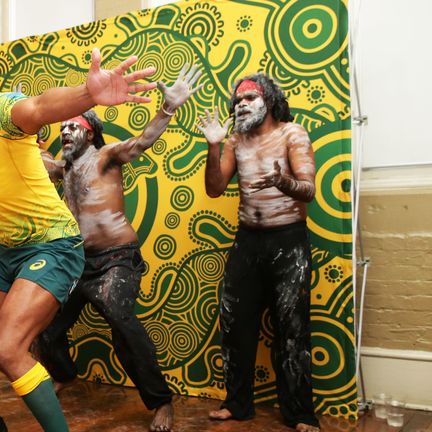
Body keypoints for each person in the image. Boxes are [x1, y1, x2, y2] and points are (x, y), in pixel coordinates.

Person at [0, 31, 156, 432]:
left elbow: (38, 106)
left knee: (7, 349)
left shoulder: (1, 109)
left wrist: (88, 95)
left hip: (53, 244)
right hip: (6, 249)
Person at [34, 64, 203, 432]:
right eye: (62, 127)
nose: (64, 131)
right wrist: (23, 129)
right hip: (78, 261)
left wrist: (168, 108)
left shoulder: (106, 157)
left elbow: (142, 141)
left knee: (119, 317)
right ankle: (63, 374)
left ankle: (160, 402)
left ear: (90, 131)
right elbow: (34, 158)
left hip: (116, 259)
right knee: (44, 323)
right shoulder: (62, 168)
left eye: (72, 125)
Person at [197, 73, 320, 432]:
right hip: (247, 241)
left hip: (288, 242)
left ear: (269, 99)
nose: (242, 104)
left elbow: (309, 190)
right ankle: (238, 405)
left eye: (250, 97)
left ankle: (299, 414)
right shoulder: (235, 141)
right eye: (237, 101)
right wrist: (214, 145)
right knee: (235, 324)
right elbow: (215, 188)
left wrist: (284, 183)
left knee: (292, 328)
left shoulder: (291, 134)